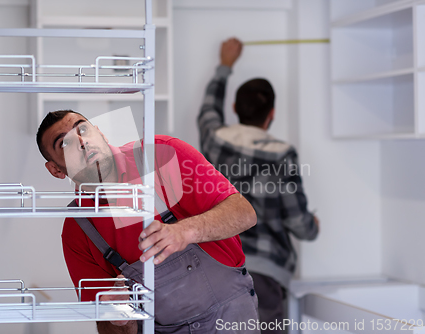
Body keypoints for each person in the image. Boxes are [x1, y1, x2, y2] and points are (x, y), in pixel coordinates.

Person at [36, 109, 260, 334]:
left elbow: (244, 213)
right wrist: (119, 317)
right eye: (65, 143)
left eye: (83, 129)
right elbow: (108, 328)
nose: (82, 142)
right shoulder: (79, 229)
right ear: (55, 169)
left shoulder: (161, 155)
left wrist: (184, 231)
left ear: (101, 133)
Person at [197, 38, 319, 333]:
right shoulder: (282, 154)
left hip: (217, 268)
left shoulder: (215, 140)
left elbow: (208, 111)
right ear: (272, 115)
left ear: (236, 107)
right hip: (264, 276)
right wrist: (312, 224)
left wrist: (225, 65)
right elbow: (299, 223)